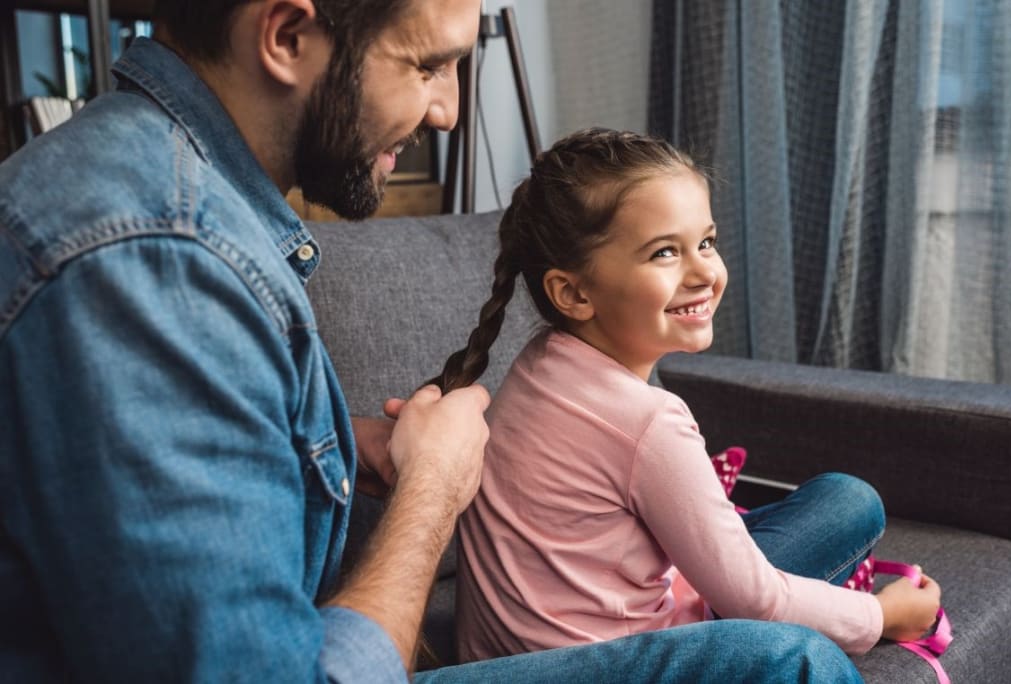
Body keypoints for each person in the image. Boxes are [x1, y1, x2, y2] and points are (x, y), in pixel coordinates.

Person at [0, 1, 865, 681]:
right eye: (428, 64)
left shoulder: (175, 204)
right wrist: (433, 491)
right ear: (288, 35)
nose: (449, 113)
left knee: (835, 508)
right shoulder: (153, 255)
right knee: (789, 660)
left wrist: (336, 450)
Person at [431, 128, 943, 664]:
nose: (704, 272)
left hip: (510, 658)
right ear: (575, 292)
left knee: (845, 499)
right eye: (664, 253)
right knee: (849, 503)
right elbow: (754, 600)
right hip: (628, 661)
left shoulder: (536, 364)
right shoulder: (648, 420)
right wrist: (882, 615)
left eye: (706, 242)